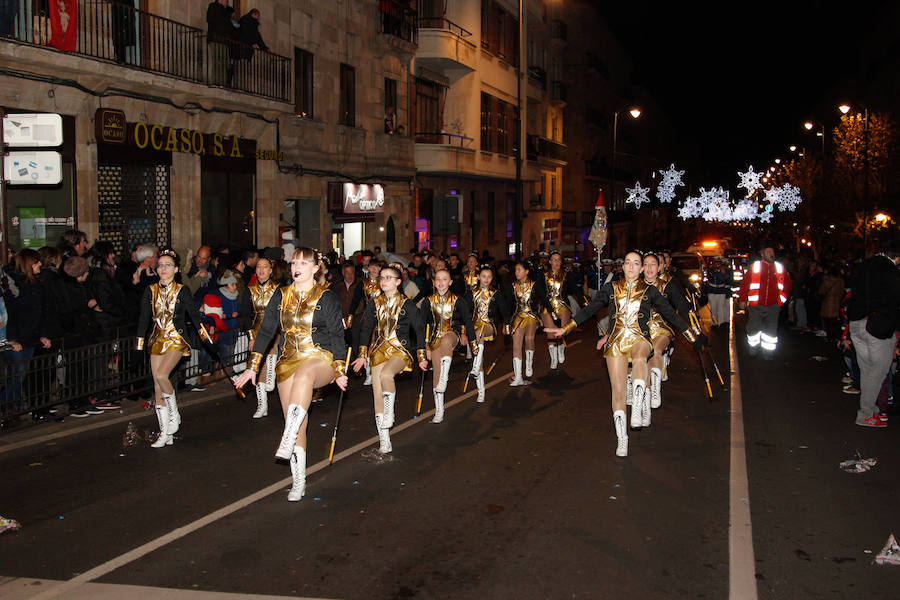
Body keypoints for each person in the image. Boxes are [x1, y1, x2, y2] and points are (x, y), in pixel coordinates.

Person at [546, 251, 706, 457]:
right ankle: (622, 439)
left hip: (640, 337)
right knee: (618, 392)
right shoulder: (611, 289)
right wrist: (565, 329)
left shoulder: (650, 291)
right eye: (627, 262)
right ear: (623, 267)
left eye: (636, 263)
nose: (631, 266)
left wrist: (694, 337)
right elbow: (590, 309)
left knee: (640, 357)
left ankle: (639, 402)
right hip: (616, 341)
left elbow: (670, 315)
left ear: (641, 269)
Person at [233, 248, 348, 501]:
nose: (298, 266)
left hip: (320, 358)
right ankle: (298, 481)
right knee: (298, 427)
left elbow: (338, 335)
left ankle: (287, 434)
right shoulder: (280, 295)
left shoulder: (326, 296)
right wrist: (252, 367)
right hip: (287, 363)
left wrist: (340, 369)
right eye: (295, 261)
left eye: (304, 262)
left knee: (306, 374)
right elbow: (265, 332)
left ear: (315, 268)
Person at [135, 249, 213, 448]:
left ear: (176, 269)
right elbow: (143, 318)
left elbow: (195, 317)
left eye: (168, 265)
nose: (163, 268)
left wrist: (206, 339)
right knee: (157, 386)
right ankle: (164, 433)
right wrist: (139, 345)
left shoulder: (182, 290)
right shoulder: (150, 290)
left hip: (176, 340)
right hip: (156, 340)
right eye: (160, 265)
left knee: (162, 376)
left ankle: (174, 414)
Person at [351, 265, 427, 455]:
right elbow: (366, 329)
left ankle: (390, 412)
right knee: (377, 395)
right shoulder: (374, 303)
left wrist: (421, 356)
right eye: (382, 278)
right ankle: (384, 440)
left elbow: (418, 329)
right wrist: (362, 355)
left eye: (388, 277)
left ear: (398, 281)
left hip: (400, 351)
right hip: (378, 350)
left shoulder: (407, 304)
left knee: (386, 375)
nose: (383, 281)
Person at [846, 242, 900, 428]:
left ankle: (871, 410)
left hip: (856, 323)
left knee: (867, 371)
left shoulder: (864, 266)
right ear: (897, 258)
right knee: (877, 372)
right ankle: (866, 414)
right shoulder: (892, 271)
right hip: (878, 326)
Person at [641, 253, 701, 416]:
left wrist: (694, 335)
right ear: (641, 267)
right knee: (638, 365)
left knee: (655, 350)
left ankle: (655, 384)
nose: (650, 268)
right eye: (646, 264)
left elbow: (680, 309)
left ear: (661, 267)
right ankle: (644, 402)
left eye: (654, 264)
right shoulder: (634, 286)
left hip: (662, 327)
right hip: (639, 330)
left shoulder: (668, 285)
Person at [421, 268, 477, 423]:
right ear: (434, 281)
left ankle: (445, 376)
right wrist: (424, 348)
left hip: (453, 335)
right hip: (434, 340)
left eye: (444, 279)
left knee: (446, 340)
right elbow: (421, 325)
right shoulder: (428, 301)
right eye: (438, 279)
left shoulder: (458, 300)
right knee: (436, 377)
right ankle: (439, 410)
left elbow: (467, 321)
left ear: (450, 282)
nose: (440, 283)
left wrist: (473, 344)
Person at [2, 250, 52, 418]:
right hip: (17, 337)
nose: (39, 265)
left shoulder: (37, 284)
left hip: (31, 336)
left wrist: (42, 334)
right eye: (36, 262)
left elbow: (43, 311)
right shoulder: (15, 286)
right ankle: (7, 407)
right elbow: (10, 314)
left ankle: (12, 409)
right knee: (18, 372)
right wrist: (12, 338)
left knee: (21, 373)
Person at [737, 243, 792, 360]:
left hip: (773, 306)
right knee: (753, 328)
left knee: (771, 332)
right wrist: (742, 299)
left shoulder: (779, 268)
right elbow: (745, 284)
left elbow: (787, 285)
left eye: (772, 252)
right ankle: (754, 347)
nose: (771, 254)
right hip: (756, 305)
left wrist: (781, 301)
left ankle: (768, 353)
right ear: (762, 254)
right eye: (768, 252)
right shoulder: (755, 267)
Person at [507, 260, 553, 386]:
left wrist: (552, 313)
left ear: (526, 272)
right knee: (516, 345)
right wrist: (506, 322)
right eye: (516, 270)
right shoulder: (512, 285)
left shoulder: (534, 284)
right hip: (517, 317)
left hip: (531, 316)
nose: (516, 272)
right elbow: (508, 304)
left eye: (519, 270)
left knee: (529, 339)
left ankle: (528, 364)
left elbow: (544, 299)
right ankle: (518, 377)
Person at [468, 265, 509, 402]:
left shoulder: (496, 293)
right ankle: (481, 391)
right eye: (483, 276)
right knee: (479, 361)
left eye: (489, 277)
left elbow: (504, 311)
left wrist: (506, 327)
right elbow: (464, 312)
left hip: (489, 326)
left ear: (492, 278)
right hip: (474, 328)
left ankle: (475, 365)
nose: (486, 279)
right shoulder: (472, 292)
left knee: (480, 331)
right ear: (478, 277)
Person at [540, 251, 585, 370]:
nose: (556, 262)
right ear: (550, 262)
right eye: (554, 260)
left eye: (558, 260)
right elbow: (539, 293)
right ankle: (553, 358)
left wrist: (584, 300)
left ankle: (560, 347)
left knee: (563, 330)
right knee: (551, 333)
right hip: (548, 306)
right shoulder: (543, 276)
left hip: (562, 304)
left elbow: (576, 289)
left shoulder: (566, 275)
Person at [206, 0, 232, 85]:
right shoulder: (213, 6)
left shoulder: (225, 11)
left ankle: (222, 82)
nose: (227, 3)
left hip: (224, 41)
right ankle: (216, 81)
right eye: (226, 1)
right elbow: (211, 19)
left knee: (224, 62)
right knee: (217, 61)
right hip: (216, 39)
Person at [706, 257, 734, 327]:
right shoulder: (711, 269)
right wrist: (715, 271)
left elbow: (727, 279)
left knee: (720, 308)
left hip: (721, 290)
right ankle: (714, 323)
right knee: (713, 308)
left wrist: (723, 272)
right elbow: (709, 277)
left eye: (719, 263)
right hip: (712, 290)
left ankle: (721, 323)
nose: (717, 264)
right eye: (716, 262)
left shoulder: (725, 270)